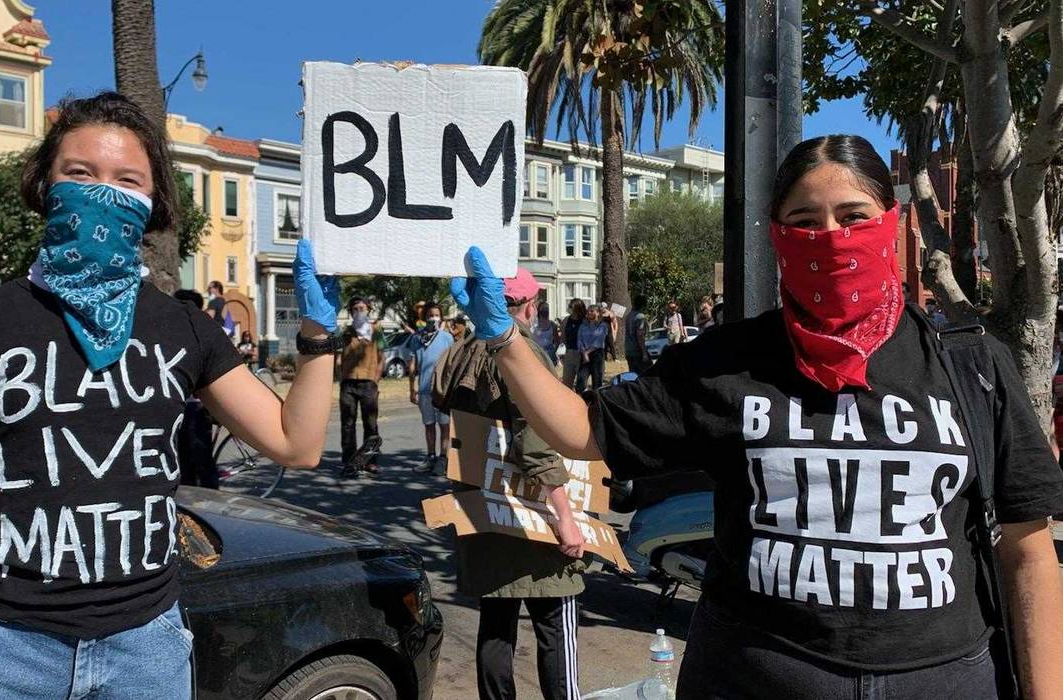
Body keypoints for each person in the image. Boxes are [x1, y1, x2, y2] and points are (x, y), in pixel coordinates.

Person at [452, 134, 1063, 699]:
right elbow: (583, 430)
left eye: (853, 217)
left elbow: (1029, 551)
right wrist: (505, 339)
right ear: (778, 235)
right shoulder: (726, 361)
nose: (831, 237)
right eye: (806, 222)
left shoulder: (970, 364)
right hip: (754, 675)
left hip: (945, 679)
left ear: (890, 221)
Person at [0, 92, 342, 700]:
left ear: (153, 202)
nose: (102, 194)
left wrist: (317, 333)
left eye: (127, 180)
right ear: (45, 184)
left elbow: (296, 444)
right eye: (80, 173)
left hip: (146, 653)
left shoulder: (183, 328)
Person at [438, 267, 586, 700]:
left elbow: (442, 399)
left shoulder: (464, 349)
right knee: (556, 619)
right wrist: (566, 517)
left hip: (482, 506)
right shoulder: (522, 351)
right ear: (529, 306)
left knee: (496, 625)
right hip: (529, 512)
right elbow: (535, 441)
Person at [172, 289, 220, 489]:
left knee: (199, 458)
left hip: (195, 406)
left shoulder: (196, 334)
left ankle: (207, 498)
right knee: (188, 460)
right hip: (190, 406)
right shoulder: (183, 332)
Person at [338, 296, 384, 477]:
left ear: (368, 310)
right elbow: (339, 357)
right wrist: (340, 377)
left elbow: (381, 356)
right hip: (348, 383)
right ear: (350, 312)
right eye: (355, 309)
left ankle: (370, 461)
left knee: (370, 424)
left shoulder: (376, 331)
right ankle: (349, 460)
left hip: (368, 383)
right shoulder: (345, 333)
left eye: (362, 308)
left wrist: (376, 378)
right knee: (347, 424)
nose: (358, 312)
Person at [408, 301, 455, 474]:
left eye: (436, 315)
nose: (433, 318)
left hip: (442, 390)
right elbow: (413, 364)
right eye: (429, 315)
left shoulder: (447, 338)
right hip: (424, 389)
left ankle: (443, 458)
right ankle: (430, 457)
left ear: (441, 318)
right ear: (424, 317)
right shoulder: (416, 338)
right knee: (429, 424)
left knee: (444, 425)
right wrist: (411, 388)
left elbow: (452, 364)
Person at [575, 304, 609, 392]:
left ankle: (596, 400)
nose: (589, 313)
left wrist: (587, 352)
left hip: (597, 355)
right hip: (584, 355)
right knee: (581, 382)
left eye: (592, 311)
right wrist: (584, 352)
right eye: (588, 311)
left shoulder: (603, 326)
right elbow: (579, 340)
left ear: (598, 313)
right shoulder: (583, 326)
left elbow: (599, 341)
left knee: (597, 384)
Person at [560, 298, 586, 389]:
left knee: (581, 384)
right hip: (569, 353)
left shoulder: (585, 321)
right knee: (566, 383)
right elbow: (563, 336)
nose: (569, 308)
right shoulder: (566, 320)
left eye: (571, 307)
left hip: (581, 354)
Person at [623, 295, 650, 375]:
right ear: (643, 306)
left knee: (633, 375)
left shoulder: (629, 315)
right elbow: (640, 336)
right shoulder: (640, 317)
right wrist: (644, 353)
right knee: (646, 375)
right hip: (637, 352)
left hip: (629, 350)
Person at [532, 301, 557, 365]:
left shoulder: (552, 325)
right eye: (543, 309)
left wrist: (553, 351)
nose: (545, 311)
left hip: (549, 354)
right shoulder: (533, 324)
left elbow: (557, 341)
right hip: (537, 353)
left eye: (546, 309)